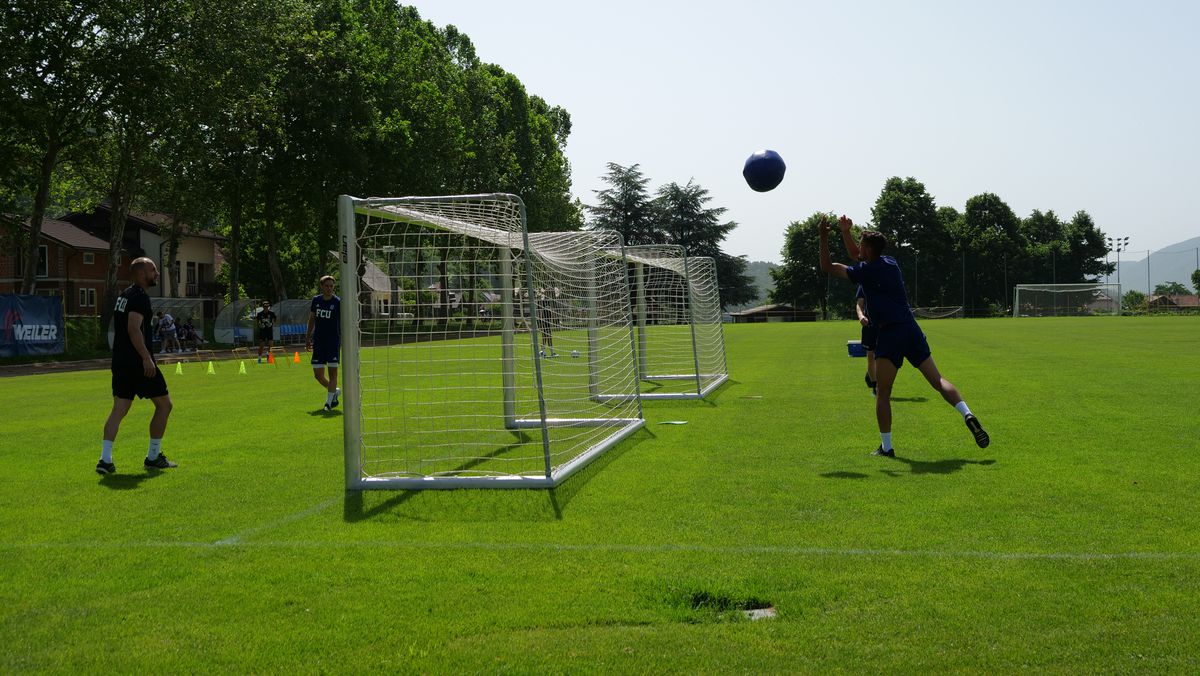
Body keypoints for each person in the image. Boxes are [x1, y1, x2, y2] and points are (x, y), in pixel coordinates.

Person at [819, 215, 989, 456]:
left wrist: (824, 236)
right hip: (911, 328)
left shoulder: (865, 273)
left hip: (889, 334)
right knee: (938, 381)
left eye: (861, 243)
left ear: (868, 249)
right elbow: (857, 253)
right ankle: (967, 413)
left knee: (883, 393)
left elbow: (827, 267)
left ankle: (886, 447)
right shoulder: (890, 262)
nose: (859, 247)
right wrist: (846, 232)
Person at [97, 257, 177, 474]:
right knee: (165, 405)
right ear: (142, 274)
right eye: (153, 270)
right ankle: (153, 457)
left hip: (121, 361)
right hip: (138, 363)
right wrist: (145, 357)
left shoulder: (123, 295)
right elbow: (134, 329)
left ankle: (105, 460)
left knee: (119, 410)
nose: (157, 274)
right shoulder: (140, 297)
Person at [306, 275, 341, 411]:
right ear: (322, 286)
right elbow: (312, 319)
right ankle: (334, 392)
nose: (329, 288)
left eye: (331, 286)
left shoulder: (338, 302)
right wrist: (308, 337)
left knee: (333, 374)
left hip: (333, 341)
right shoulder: (316, 300)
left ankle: (328, 402)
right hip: (319, 341)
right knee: (318, 375)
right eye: (327, 286)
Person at [856, 287, 877, 396]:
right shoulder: (863, 284)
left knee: (884, 357)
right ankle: (875, 386)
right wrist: (861, 316)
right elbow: (859, 304)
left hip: (886, 324)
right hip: (869, 325)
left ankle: (874, 376)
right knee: (870, 356)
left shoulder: (887, 278)